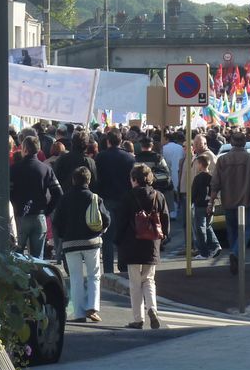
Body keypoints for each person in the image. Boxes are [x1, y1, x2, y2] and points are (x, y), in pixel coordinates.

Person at [113, 163, 170, 329]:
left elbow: (121, 222)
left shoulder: (128, 197)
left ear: (134, 179)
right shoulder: (158, 196)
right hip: (151, 244)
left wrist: (118, 241)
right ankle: (152, 309)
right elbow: (165, 219)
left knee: (135, 283)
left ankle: (138, 319)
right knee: (149, 280)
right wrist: (162, 237)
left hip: (132, 244)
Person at [51, 166, 110, 323]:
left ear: (73, 180)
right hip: (92, 241)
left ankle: (78, 312)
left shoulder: (65, 199)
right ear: (89, 180)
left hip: (70, 243)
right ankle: (93, 306)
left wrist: (64, 236)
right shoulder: (94, 198)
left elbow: (56, 222)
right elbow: (106, 219)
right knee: (94, 275)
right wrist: (100, 231)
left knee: (76, 278)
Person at [209, 131, 250, 275]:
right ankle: (235, 252)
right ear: (244, 143)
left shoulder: (222, 160)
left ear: (231, 142)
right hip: (246, 201)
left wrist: (212, 201)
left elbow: (215, 182)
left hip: (228, 201)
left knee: (232, 230)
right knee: (247, 229)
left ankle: (235, 255)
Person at [9, 133, 63, 258]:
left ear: (25, 150)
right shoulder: (46, 169)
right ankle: (36, 277)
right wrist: (47, 210)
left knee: (16, 256)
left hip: (20, 217)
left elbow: (8, 192)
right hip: (39, 216)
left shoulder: (14, 169)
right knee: (37, 260)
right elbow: (58, 193)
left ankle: (20, 277)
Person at [95, 130, 136, 274]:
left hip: (106, 199)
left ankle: (108, 269)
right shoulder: (129, 158)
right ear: (121, 140)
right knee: (124, 234)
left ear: (108, 142)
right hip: (125, 199)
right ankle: (124, 266)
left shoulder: (100, 157)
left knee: (107, 237)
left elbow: (97, 179)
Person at [191, 156, 222, 258]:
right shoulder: (211, 177)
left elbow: (194, 193)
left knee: (200, 229)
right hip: (210, 204)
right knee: (208, 226)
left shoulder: (198, 178)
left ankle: (204, 253)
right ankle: (216, 245)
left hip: (200, 206)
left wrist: (192, 202)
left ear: (200, 164)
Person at [161, 130, 185, 219]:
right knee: (176, 192)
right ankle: (175, 211)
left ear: (166, 139)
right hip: (179, 172)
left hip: (167, 173)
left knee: (169, 193)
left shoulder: (164, 148)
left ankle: (171, 211)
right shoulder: (180, 148)